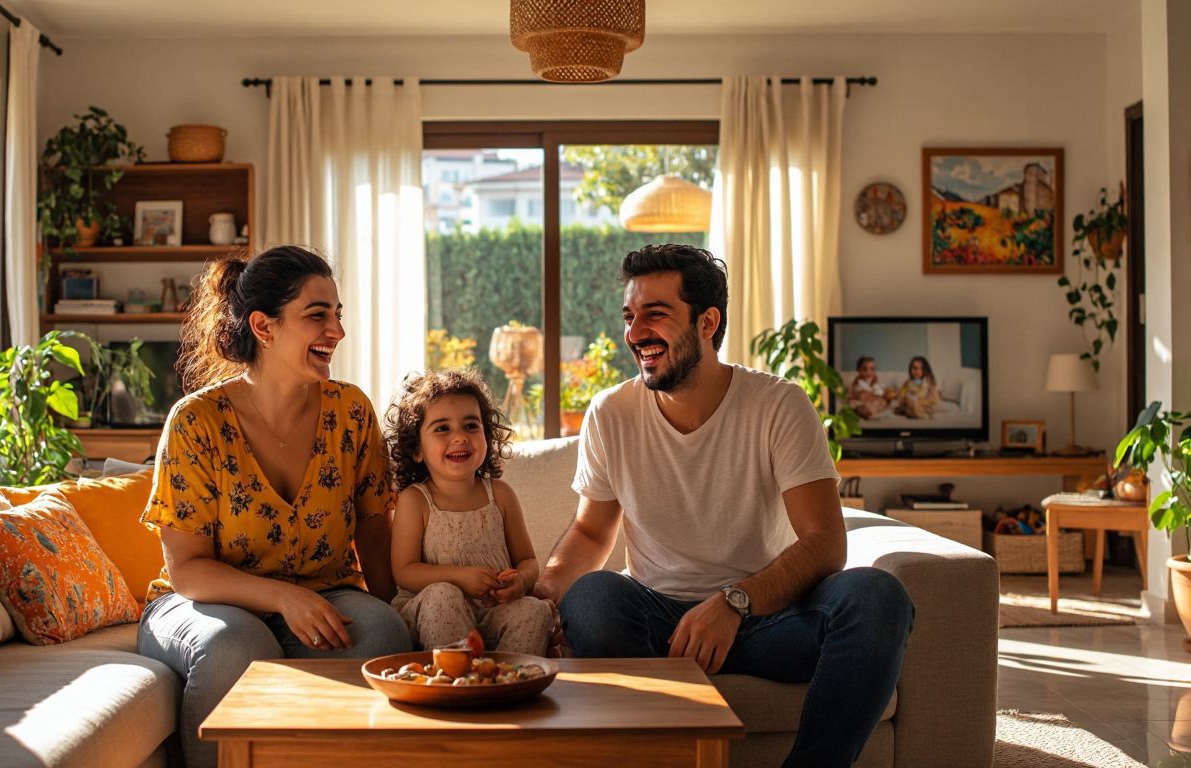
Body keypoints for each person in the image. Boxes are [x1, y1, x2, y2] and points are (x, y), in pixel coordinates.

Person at [532, 244, 914, 768]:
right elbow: (592, 534)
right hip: (657, 620)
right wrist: (540, 597)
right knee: (594, 597)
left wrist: (736, 601)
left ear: (707, 322)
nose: (635, 331)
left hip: (769, 620)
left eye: (656, 314)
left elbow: (825, 543)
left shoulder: (779, 405)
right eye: (630, 315)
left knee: (877, 595)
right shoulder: (610, 412)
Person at [137, 246, 411, 768]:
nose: (337, 331)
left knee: (381, 632)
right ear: (264, 326)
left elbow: (375, 533)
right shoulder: (196, 421)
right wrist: (284, 598)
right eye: (317, 316)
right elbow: (189, 571)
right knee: (237, 645)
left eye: (337, 315)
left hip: (321, 591)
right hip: (201, 605)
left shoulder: (351, 411)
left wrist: (400, 613)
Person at [386, 369, 552, 654]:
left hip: (494, 611)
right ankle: (456, 681)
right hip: (433, 613)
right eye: (442, 428)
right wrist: (460, 577)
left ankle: (507, 682)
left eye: (471, 426)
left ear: (487, 437)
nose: (460, 437)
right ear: (417, 450)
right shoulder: (416, 500)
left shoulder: (500, 495)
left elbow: (527, 560)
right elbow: (404, 572)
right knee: (444, 595)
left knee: (534, 610)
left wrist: (521, 581)